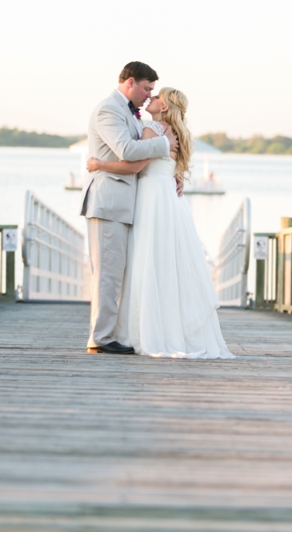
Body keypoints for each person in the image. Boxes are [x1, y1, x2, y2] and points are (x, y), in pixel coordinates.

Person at [87, 87, 235, 359]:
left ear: (164, 107)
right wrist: (177, 177)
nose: (151, 99)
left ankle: (140, 332)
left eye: (156, 97)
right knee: (168, 264)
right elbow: (171, 167)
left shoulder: (152, 130)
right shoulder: (179, 133)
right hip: (170, 201)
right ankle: (170, 328)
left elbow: (133, 166)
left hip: (151, 200)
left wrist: (98, 164)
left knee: (144, 263)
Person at [80, 62, 179, 354]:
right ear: (130, 82)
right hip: (108, 201)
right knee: (107, 273)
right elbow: (127, 151)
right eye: (147, 88)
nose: (149, 95)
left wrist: (169, 171)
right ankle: (100, 338)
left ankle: (108, 334)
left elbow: (139, 162)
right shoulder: (108, 109)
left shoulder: (131, 114)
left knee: (116, 272)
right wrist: (164, 145)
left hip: (123, 203)